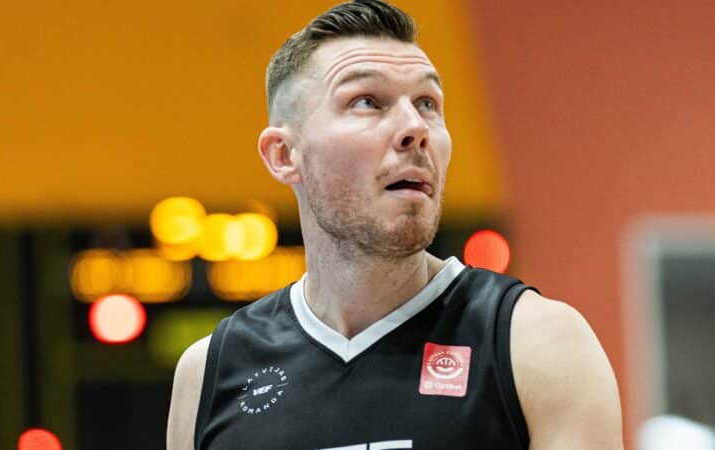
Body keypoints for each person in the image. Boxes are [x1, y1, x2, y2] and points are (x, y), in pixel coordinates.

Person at [167, 1, 624, 449]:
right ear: (285, 155)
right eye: (367, 101)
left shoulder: (536, 342)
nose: (414, 126)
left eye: (427, 103)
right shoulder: (209, 372)